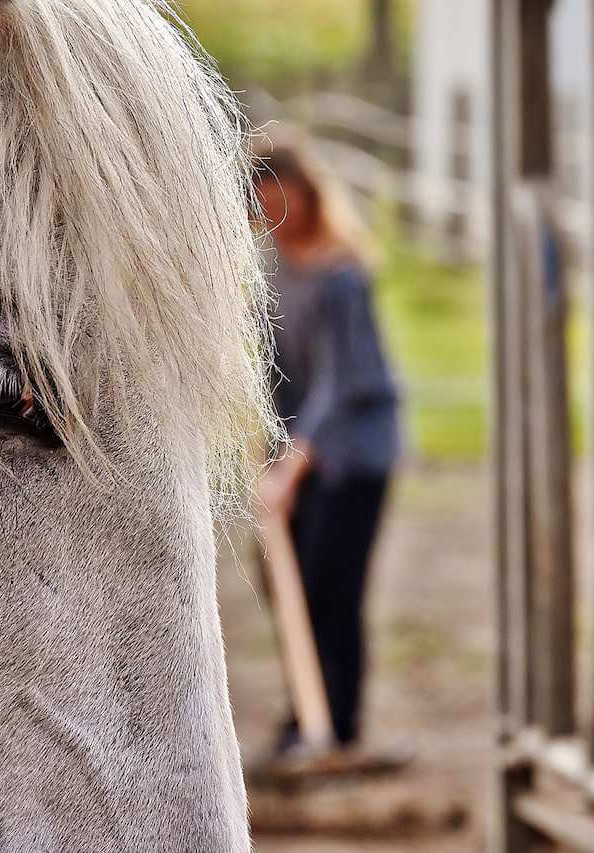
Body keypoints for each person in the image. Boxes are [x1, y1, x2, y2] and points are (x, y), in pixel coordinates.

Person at [253, 132, 401, 768]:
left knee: (330, 587)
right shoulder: (275, 271)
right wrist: (269, 450)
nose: (270, 221)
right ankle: (303, 718)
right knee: (284, 586)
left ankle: (338, 728)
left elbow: (342, 385)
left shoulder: (344, 275)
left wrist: (294, 464)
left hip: (353, 455)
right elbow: (272, 372)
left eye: (278, 204)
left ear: (304, 195)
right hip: (297, 454)